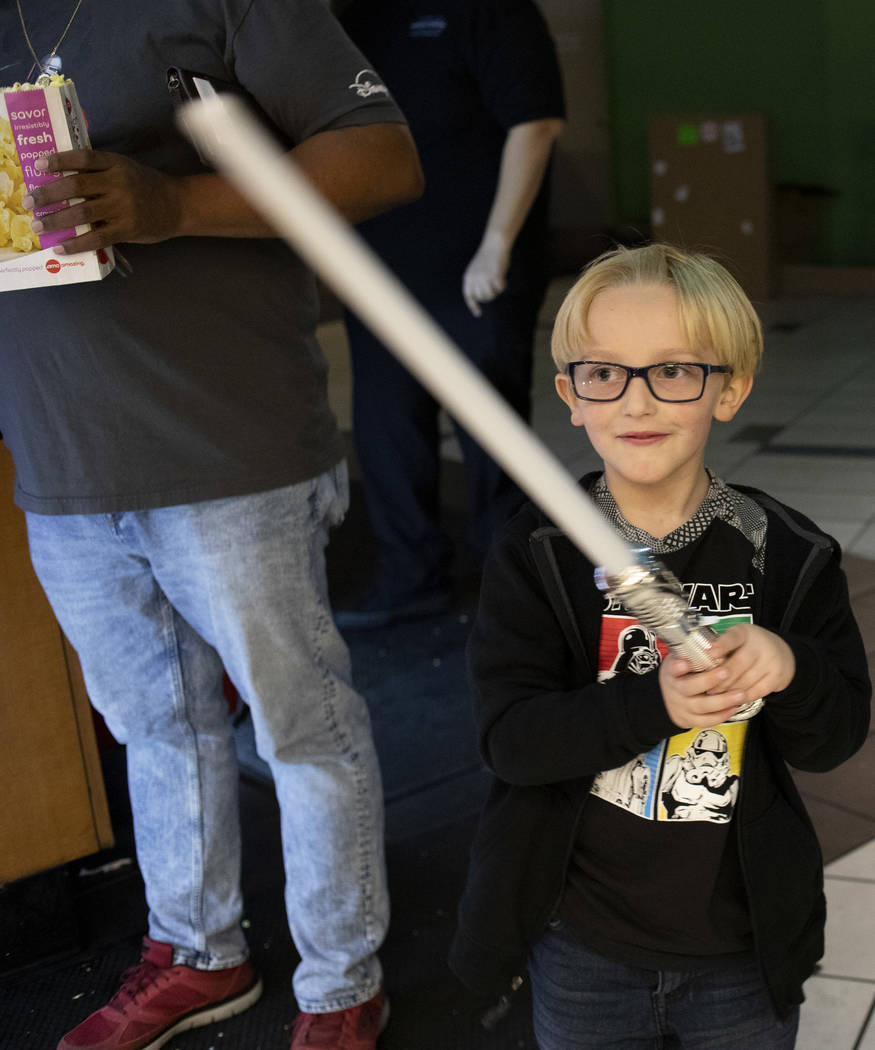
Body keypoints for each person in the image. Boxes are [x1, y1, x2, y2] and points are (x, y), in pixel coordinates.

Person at [0, 3, 424, 1049]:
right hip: (62, 460)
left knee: (298, 730)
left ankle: (340, 985)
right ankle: (199, 955)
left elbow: (382, 158)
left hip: (228, 446)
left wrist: (173, 204)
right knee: (155, 729)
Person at [448, 244, 871, 1048]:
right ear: (571, 394)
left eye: (673, 370)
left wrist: (789, 667)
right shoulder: (534, 551)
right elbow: (511, 741)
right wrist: (655, 703)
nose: (636, 401)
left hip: (740, 951)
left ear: (730, 388)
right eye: (604, 372)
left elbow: (835, 736)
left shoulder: (784, 551)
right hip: (579, 944)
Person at [336, 0, 565, 628]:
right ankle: (412, 579)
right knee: (388, 432)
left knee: (491, 435)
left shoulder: (492, 12)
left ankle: (513, 592)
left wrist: (498, 244)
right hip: (381, 268)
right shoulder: (357, 17)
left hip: (477, 268)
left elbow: (535, 124)